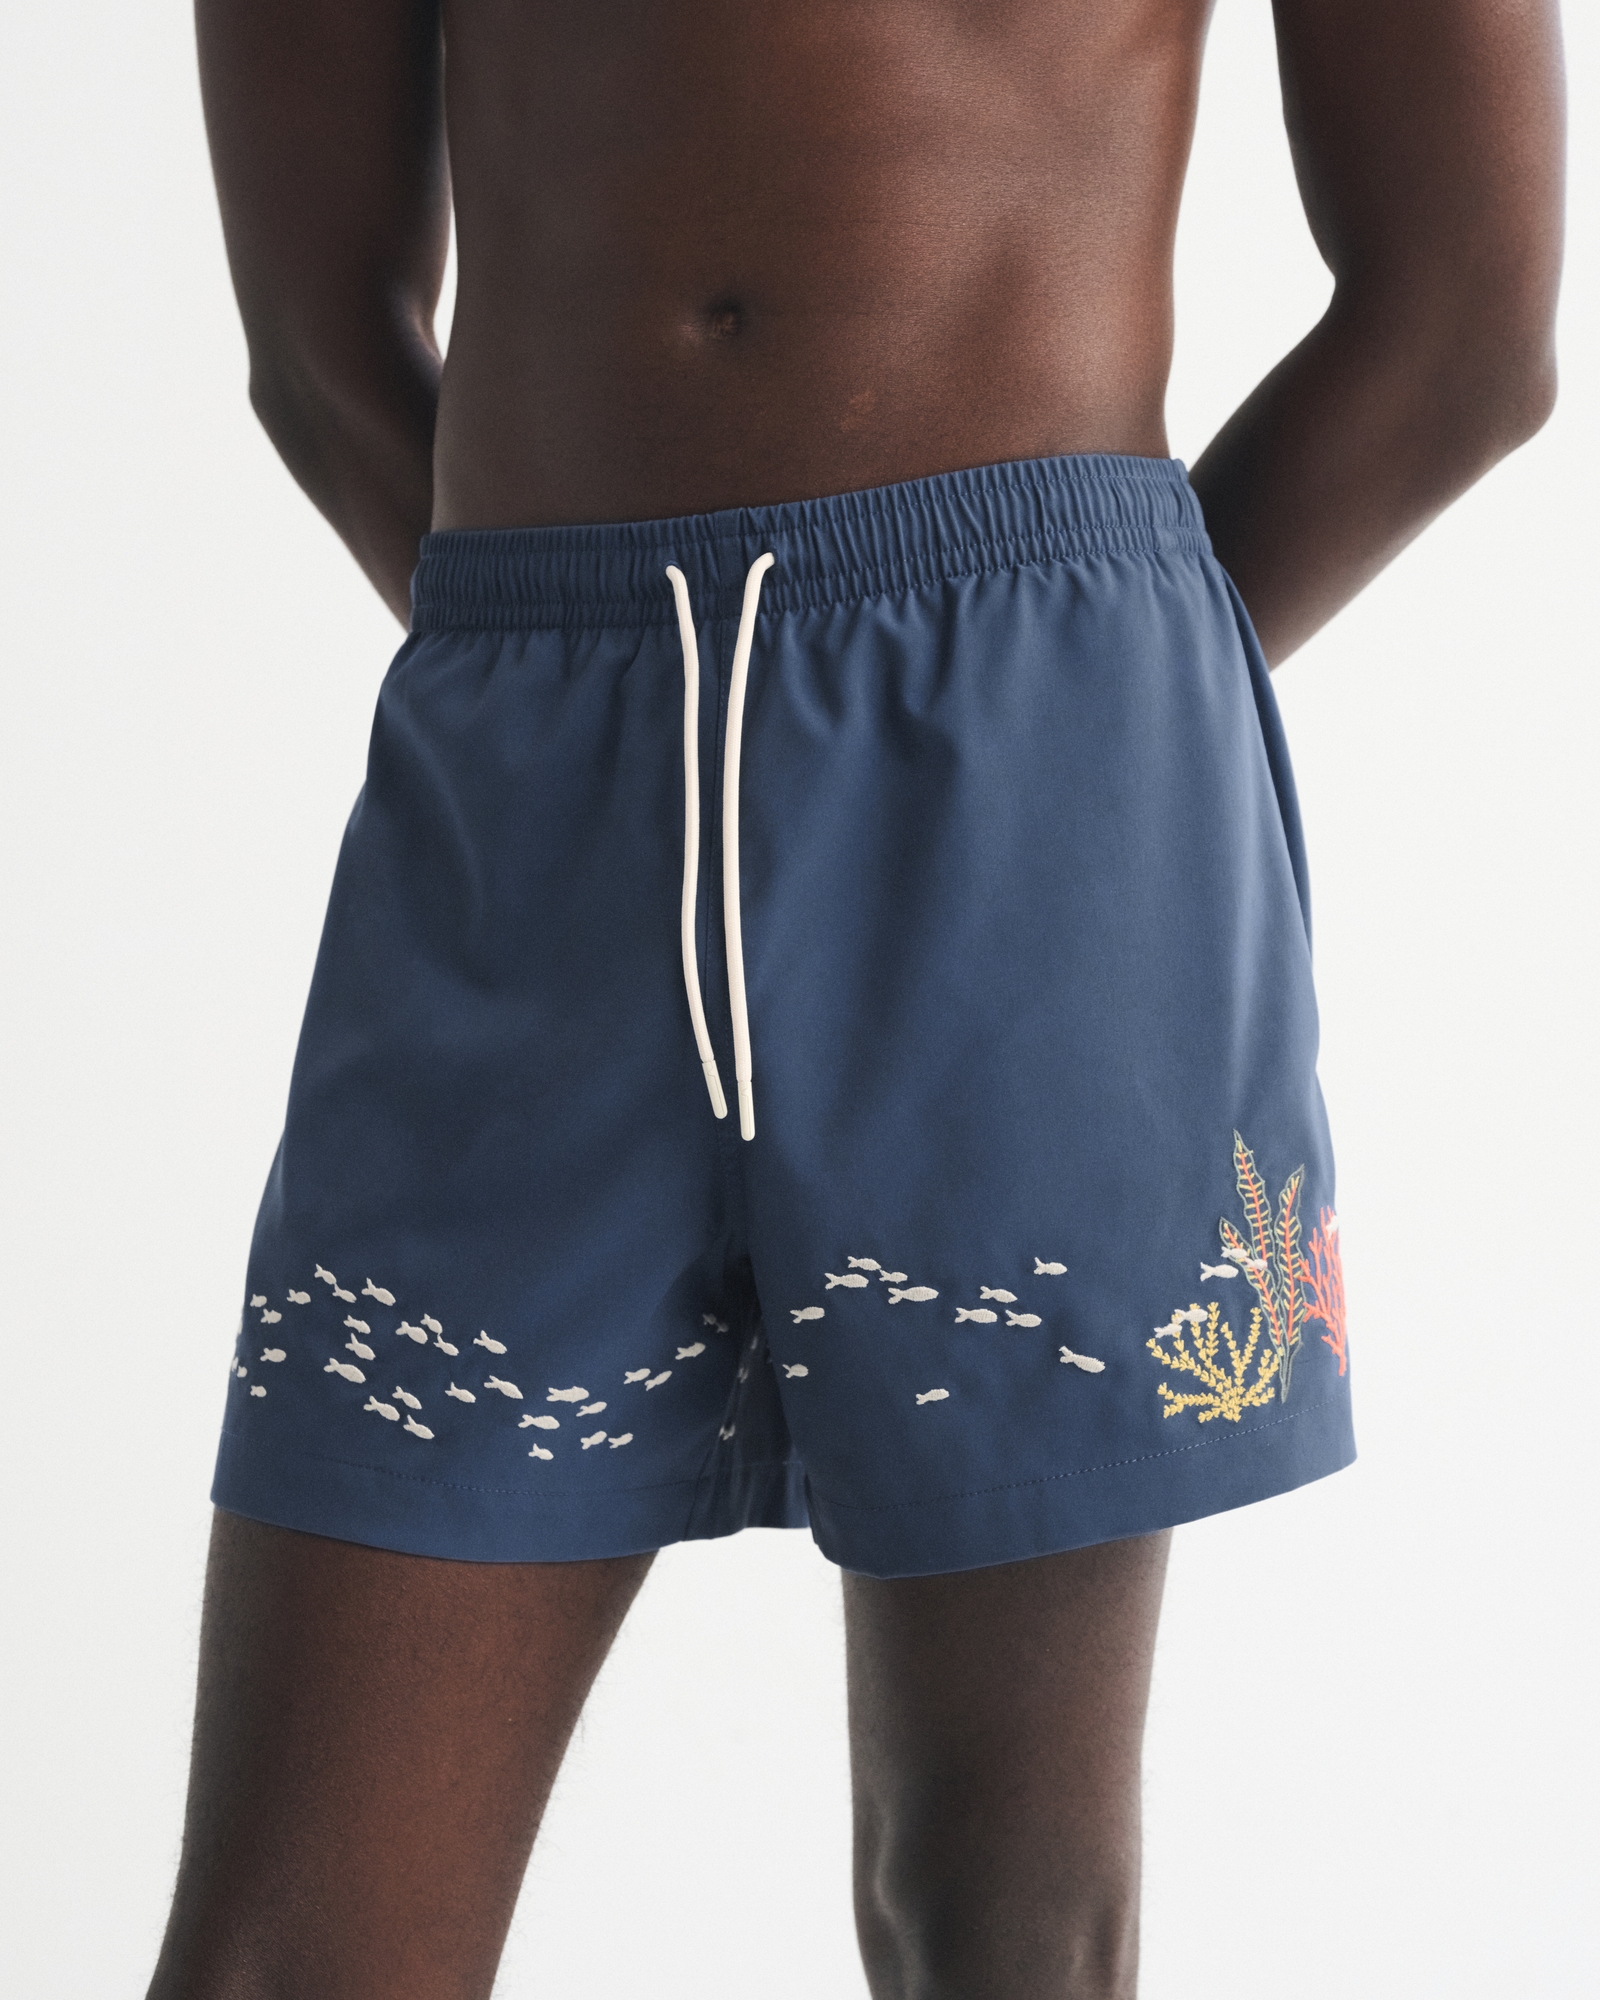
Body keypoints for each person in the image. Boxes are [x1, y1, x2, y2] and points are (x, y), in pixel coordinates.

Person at [150, 2, 1563, 1995]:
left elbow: (1470, 321)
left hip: (1039, 755)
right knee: (289, 1951)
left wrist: (1086, 726)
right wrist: (623, 727)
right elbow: (313, 343)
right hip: (529, 801)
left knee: (997, 1905)